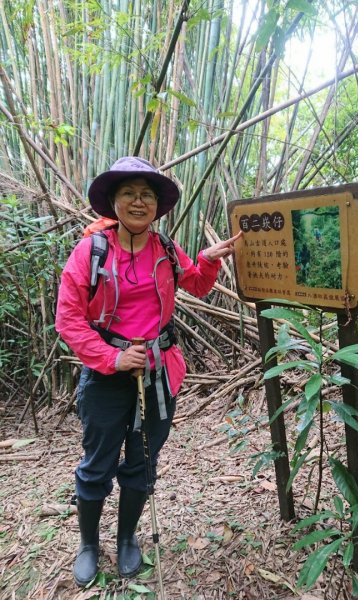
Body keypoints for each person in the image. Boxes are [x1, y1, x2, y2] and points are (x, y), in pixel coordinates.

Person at [55, 156, 241, 586]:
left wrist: (208, 259)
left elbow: (194, 283)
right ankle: (88, 544)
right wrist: (111, 358)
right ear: (113, 202)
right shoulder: (91, 250)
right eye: (129, 194)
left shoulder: (165, 249)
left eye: (147, 195)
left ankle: (125, 540)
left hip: (159, 373)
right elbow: (68, 318)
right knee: (97, 463)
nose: (139, 202)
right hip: (107, 378)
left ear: (157, 205)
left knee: (142, 460)